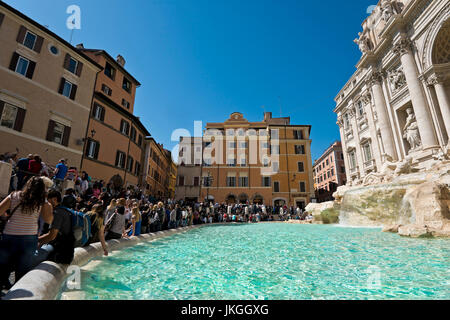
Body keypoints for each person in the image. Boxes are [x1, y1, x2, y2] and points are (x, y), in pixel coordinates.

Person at [0, 177, 53, 289]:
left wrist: (6, 218)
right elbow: (48, 219)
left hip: (10, 234)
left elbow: (0, 210)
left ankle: (3, 284)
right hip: (29, 237)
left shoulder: (14, 195)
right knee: (23, 268)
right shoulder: (42, 201)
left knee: (4, 265)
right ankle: (17, 291)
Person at [36, 190, 74, 265]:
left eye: (48, 200)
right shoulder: (67, 211)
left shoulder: (58, 213)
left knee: (34, 257)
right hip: (67, 252)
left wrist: (36, 240)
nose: (47, 203)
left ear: (54, 199)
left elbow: (52, 236)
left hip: (59, 252)